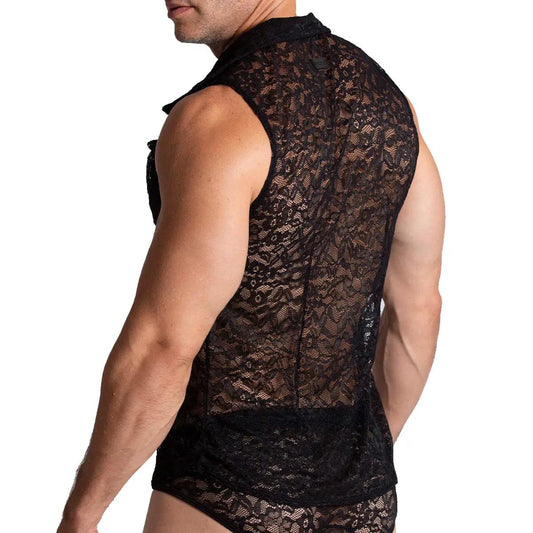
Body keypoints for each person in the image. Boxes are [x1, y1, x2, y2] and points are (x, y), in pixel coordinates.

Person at [57, 1, 444, 532]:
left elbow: (163, 346)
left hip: (222, 489)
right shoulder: (391, 109)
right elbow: (416, 310)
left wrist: (83, 513)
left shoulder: (217, 118)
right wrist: (354, 461)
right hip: (358, 501)